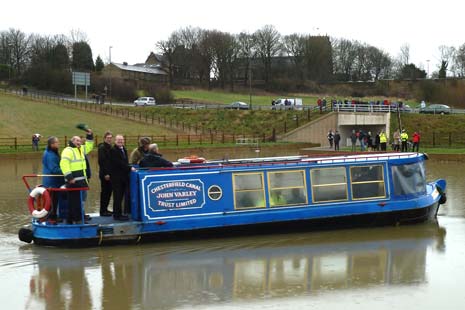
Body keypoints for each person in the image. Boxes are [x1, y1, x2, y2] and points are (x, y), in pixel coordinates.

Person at [60, 129, 94, 224]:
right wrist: (70, 178)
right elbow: (64, 164)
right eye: (77, 141)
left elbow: (89, 146)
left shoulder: (80, 149)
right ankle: (77, 220)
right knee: (74, 202)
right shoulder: (68, 150)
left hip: (81, 180)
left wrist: (89, 136)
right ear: (72, 141)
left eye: (80, 141)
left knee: (77, 201)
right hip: (73, 181)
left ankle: (72, 219)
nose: (79, 142)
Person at [110, 134, 133, 221]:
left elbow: (125, 162)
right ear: (115, 141)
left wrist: (129, 167)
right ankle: (117, 215)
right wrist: (129, 168)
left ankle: (120, 213)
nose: (121, 142)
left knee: (121, 196)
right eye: (119, 140)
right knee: (117, 197)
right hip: (117, 178)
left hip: (123, 177)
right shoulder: (113, 150)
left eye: (122, 140)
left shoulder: (124, 149)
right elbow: (118, 163)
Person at [42, 136, 63, 222]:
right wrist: (66, 171)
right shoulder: (51, 155)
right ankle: (52, 217)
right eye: (57, 142)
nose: (59, 144)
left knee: (53, 199)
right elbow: (54, 169)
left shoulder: (49, 152)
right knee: (53, 200)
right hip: (52, 182)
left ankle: (52, 216)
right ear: (52, 144)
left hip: (51, 180)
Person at [98, 131, 113, 216]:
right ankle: (102, 211)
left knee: (109, 192)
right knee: (104, 192)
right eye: (108, 138)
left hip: (110, 174)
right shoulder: (102, 148)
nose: (109, 139)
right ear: (104, 138)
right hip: (105, 174)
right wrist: (106, 174)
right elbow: (102, 162)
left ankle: (106, 209)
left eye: (110, 138)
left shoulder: (110, 147)